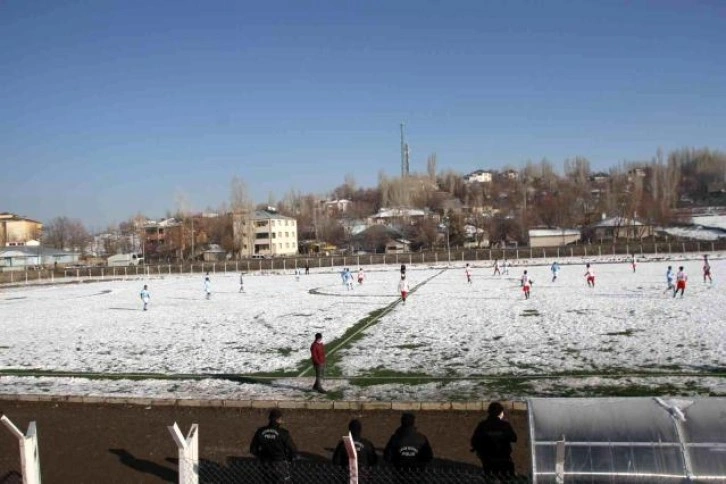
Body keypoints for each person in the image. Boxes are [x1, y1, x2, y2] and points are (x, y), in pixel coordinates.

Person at [470, 401, 518, 477]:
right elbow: (514, 438)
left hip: (487, 458)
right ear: (500, 413)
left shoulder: (482, 425)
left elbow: (474, 441)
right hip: (503, 457)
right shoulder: (505, 425)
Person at [250, 409, 297, 482]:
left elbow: (253, 449)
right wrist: (289, 458)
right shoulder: (283, 433)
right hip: (280, 463)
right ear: (278, 420)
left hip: (265, 464)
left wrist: (262, 456)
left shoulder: (260, 431)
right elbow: (293, 449)